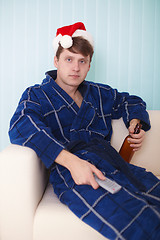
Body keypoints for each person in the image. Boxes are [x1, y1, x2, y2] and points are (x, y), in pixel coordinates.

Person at [9, 22, 160, 240]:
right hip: (73, 171)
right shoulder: (37, 95)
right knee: (141, 219)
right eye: (69, 59)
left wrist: (135, 122)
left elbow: (131, 100)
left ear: (89, 65)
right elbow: (21, 125)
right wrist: (72, 162)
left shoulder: (98, 93)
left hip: (114, 163)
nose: (76, 68)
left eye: (82, 61)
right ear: (56, 61)